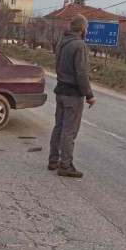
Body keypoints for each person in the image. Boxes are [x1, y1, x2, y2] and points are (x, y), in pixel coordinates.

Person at [48, 14, 96, 178]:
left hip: (60, 90)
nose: (87, 31)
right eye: (86, 29)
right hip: (73, 95)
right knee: (70, 130)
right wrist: (89, 95)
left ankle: (53, 160)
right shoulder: (79, 45)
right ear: (83, 29)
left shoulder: (62, 43)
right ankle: (66, 165)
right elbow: (82, 74)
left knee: (59, 127)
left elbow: (57, 66)